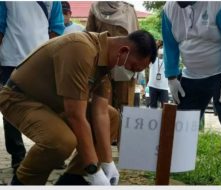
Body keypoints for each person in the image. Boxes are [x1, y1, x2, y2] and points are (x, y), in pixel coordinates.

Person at [0, 30, 157, 185]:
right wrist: (93, 169)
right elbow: (75, 116)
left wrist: (107, 163)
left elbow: (101, 113)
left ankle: (72, 181)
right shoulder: (81, 49)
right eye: (132, 68)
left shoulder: (106, 61)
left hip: (54, 104)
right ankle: (22, 183)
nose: (130, 75)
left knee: (111, 116)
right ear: (123, 51)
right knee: (61, 141)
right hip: (20, 97)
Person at [162, 1, 221, 185]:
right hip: (192, 73)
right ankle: (178, 164)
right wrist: (171, 76)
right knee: (183, 119)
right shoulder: (169, 9)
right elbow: (170, 44)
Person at [0, 1, 64, 173]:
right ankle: (18, 156)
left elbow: (57, 30)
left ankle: (51, 152)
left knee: (50, 106)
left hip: (40, 60)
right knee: (10, 109)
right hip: (11, 60)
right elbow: (0, 26)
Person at [86, 1, 139, 110]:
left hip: (125, 65)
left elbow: (136, 38)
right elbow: (89, 37)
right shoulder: (95, 7)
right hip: (102, 66)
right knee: (102, 106)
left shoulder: (129, 9)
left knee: (124, 106)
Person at [147, 41, 169, 108]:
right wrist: (156, 45)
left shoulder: (168, 61)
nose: (162, 49)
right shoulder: (152, 59)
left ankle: (164, 119)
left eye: (163, 48)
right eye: (161, 47)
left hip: (164, 87)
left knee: (165, 107)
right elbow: (150, 52)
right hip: (153, 85)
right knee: (153, 106)